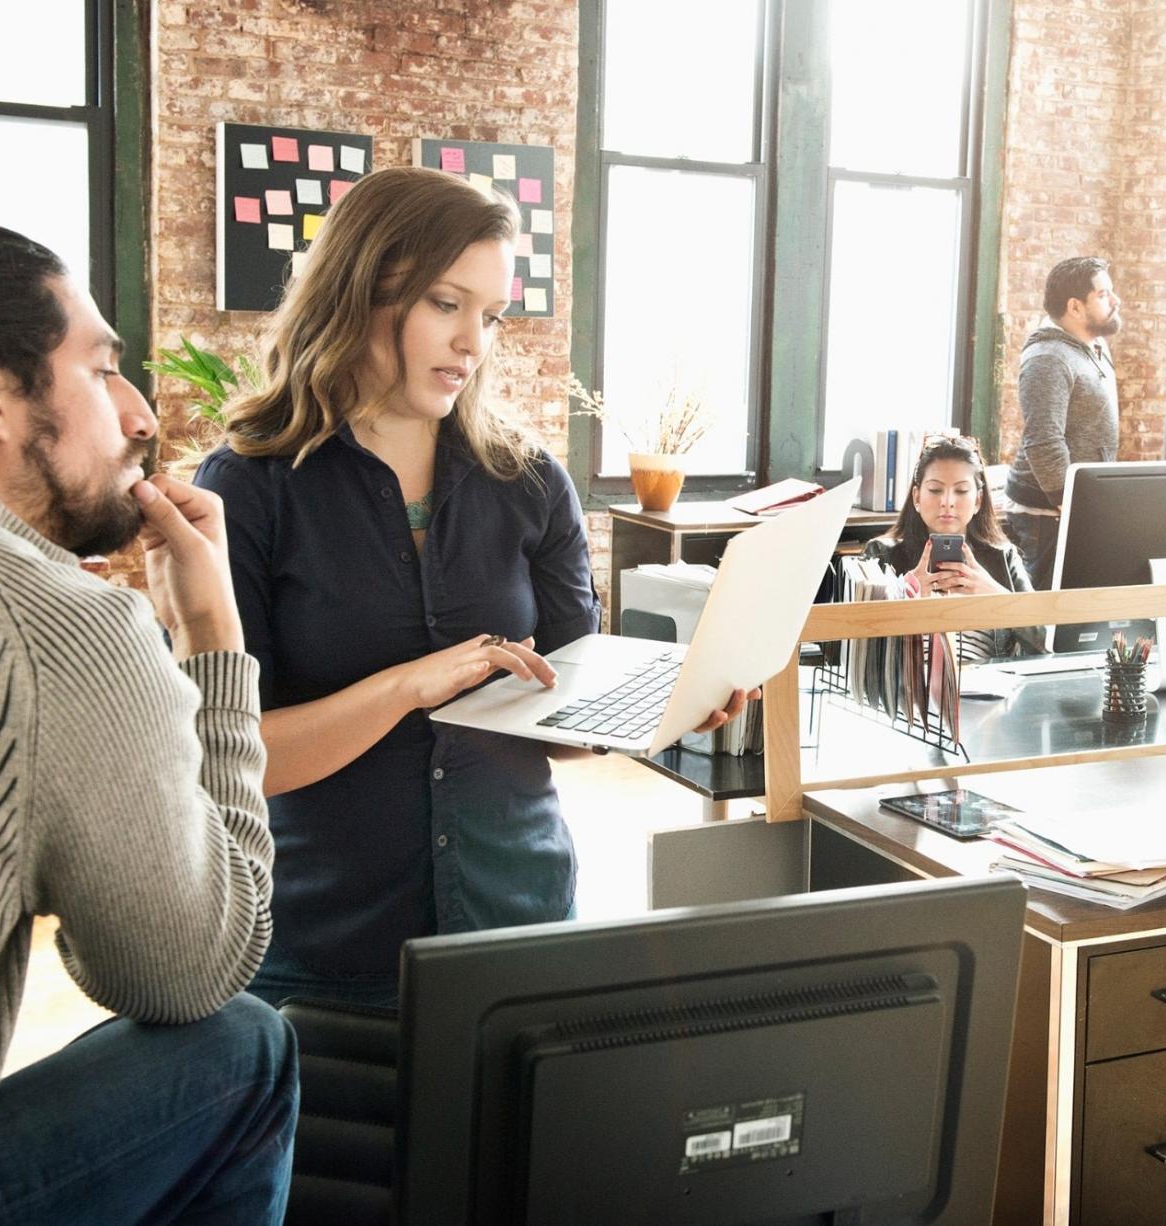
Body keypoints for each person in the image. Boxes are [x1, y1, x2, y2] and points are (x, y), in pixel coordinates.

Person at [195, 167, 751, 1008]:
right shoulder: (250, 487)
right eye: (446, 305)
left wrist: (656, 714)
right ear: (358, 290)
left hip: (520, 926)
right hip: (322, 953)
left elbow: (561, 725)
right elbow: (236, 759)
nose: (473, 343)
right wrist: (407, 688)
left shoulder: (529, 482)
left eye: (490, 316)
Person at [0, 219, 295, 1223]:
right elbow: (186, 966)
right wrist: (211, 629)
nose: (141, 413)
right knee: (242, 1044)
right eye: (103, 368)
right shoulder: (51, 621)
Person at [863, 434, 1043, 662]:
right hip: (906, 692)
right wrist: (904, 592)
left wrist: (997, 596)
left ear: (978, 500)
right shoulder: (881, 555)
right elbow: (855, 649)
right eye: (935, 490)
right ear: (917, 497)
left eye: (961, 491)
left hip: (988, 691)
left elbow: (1044, 643)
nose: (947, 501)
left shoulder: (1003, 557)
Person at [1003, 255, 1121, 588]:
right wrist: (1072, 507)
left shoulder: (1094, 343)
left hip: (1074, 508)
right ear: (1075, 307)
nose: (1116, 300)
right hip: (1046, 516)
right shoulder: (1048, 358)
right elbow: (1043, 442)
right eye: (1103, 294)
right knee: (1043, 622)